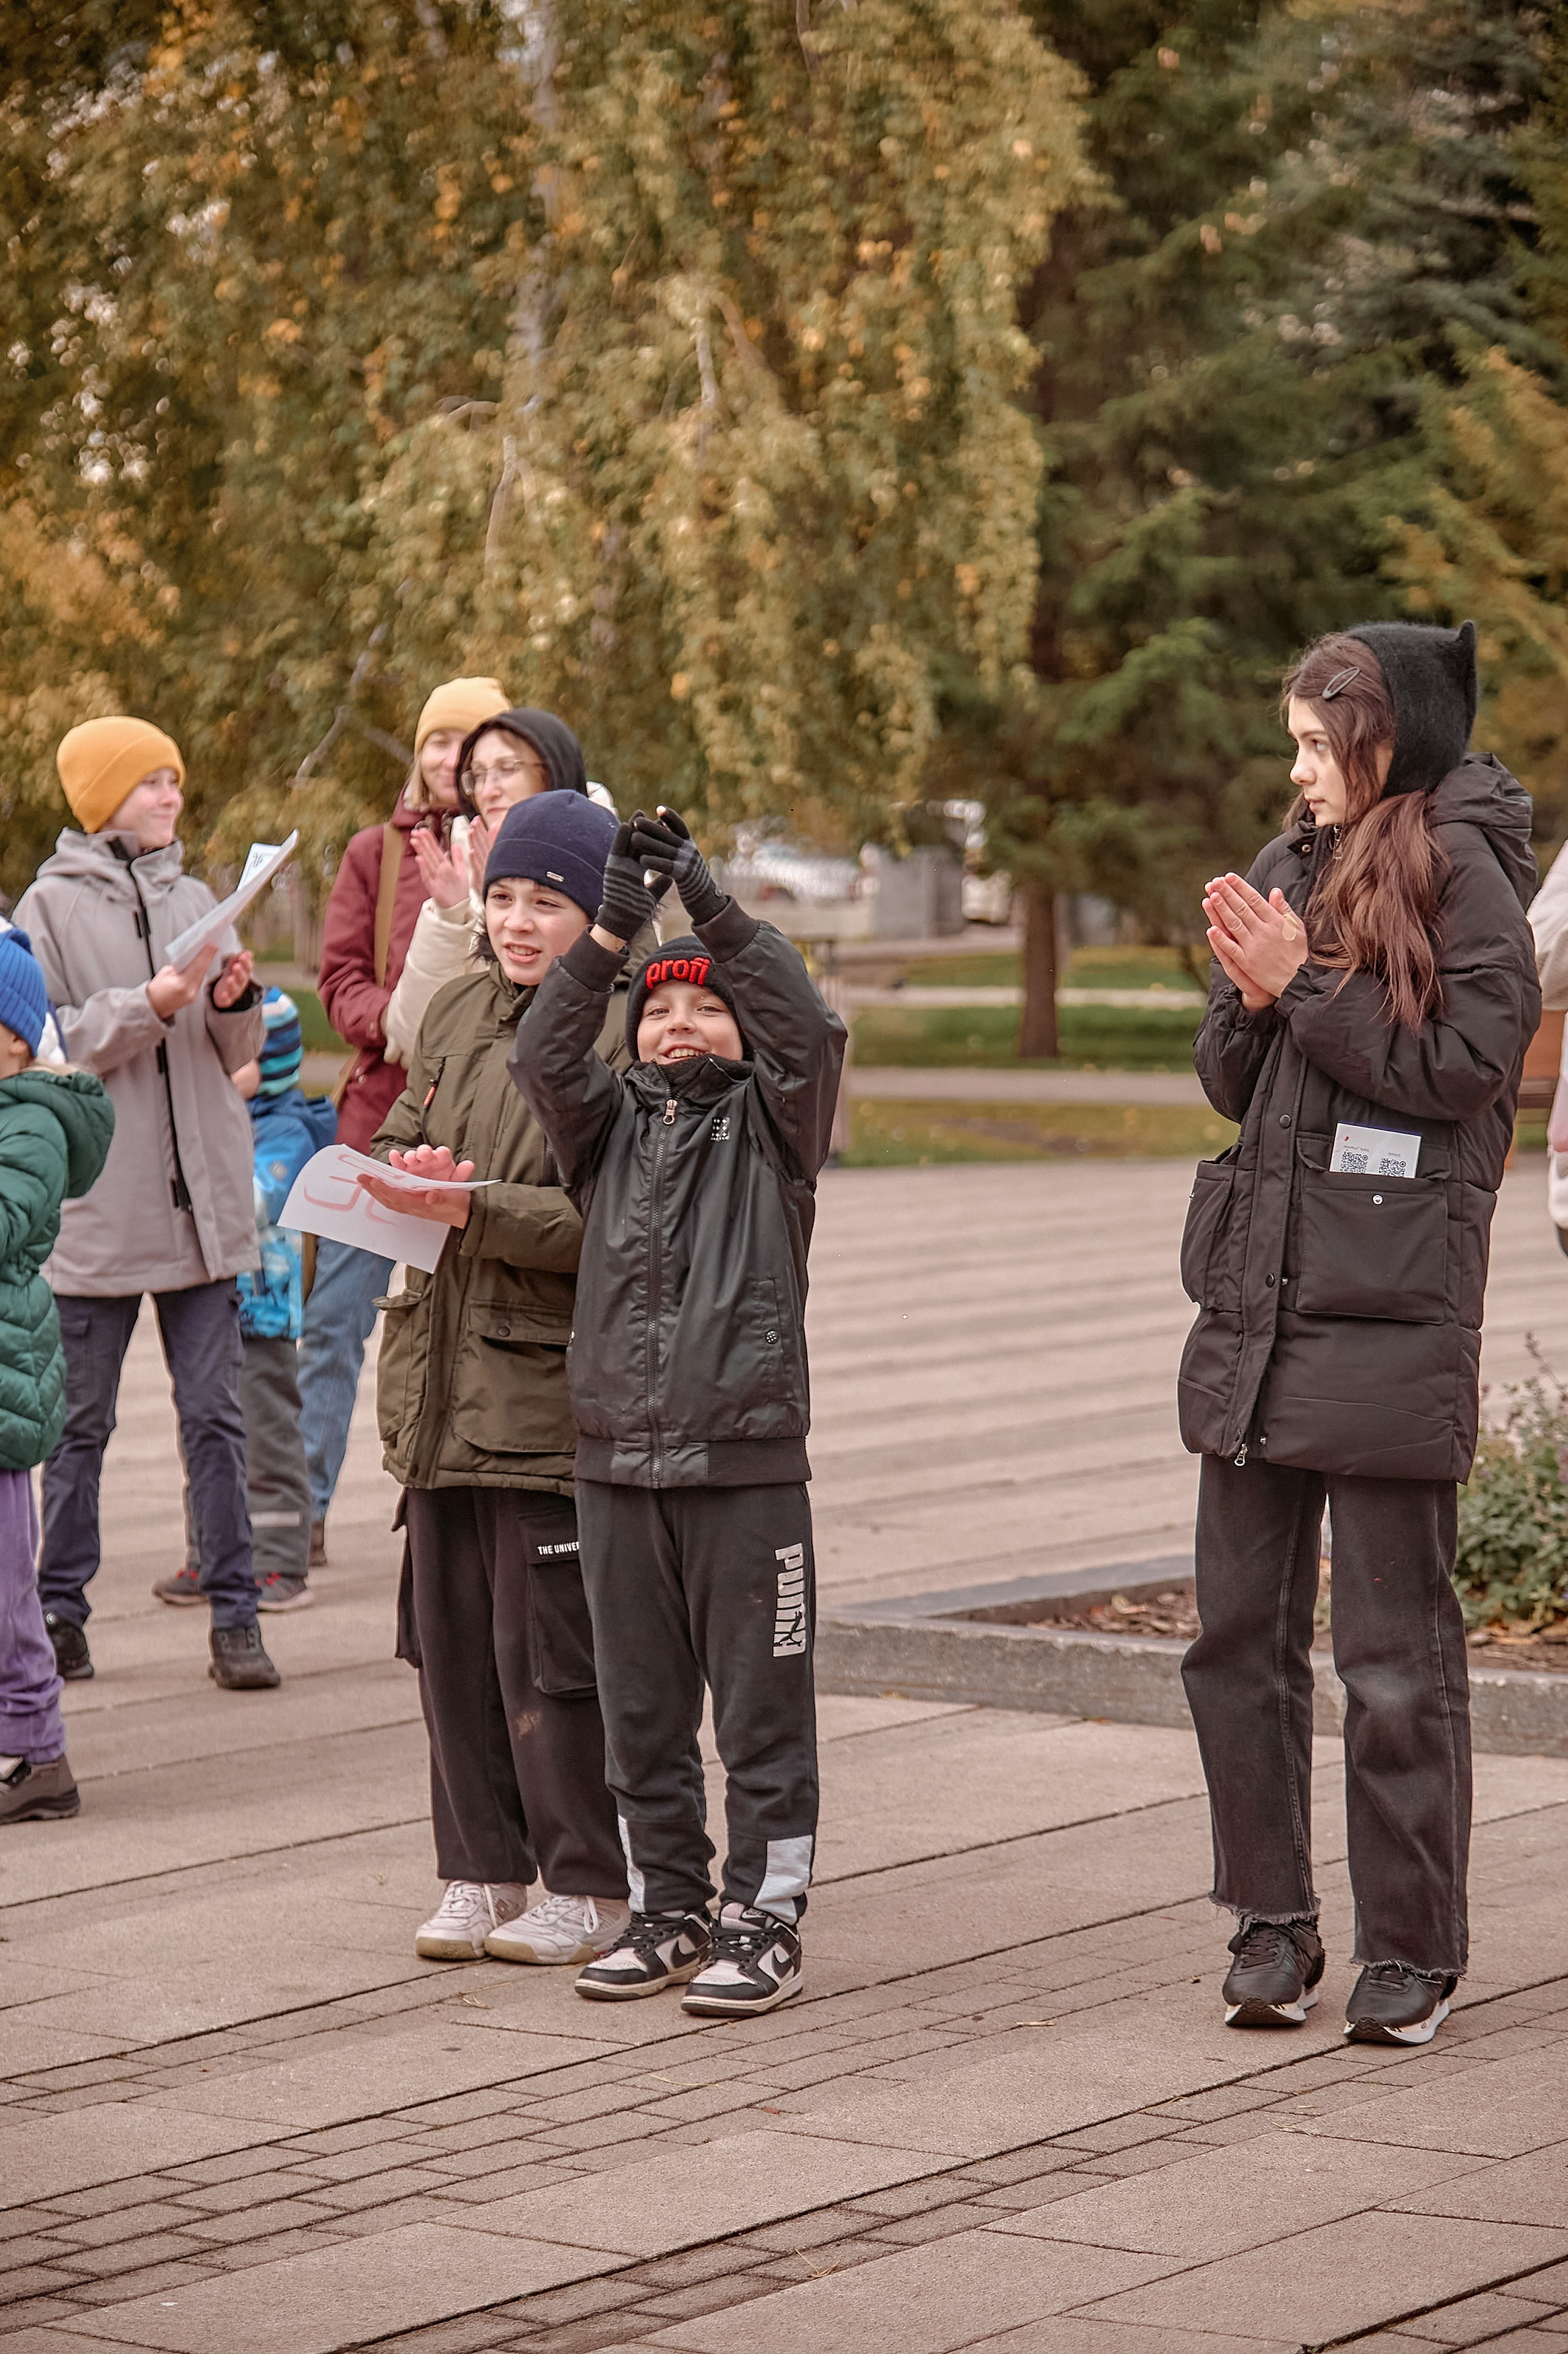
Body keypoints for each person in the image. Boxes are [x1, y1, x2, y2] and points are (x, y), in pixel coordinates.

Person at [1177, 622, 1539, 2049]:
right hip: (1254, 1310)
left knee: (1393, 1663)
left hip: (1391, 1310)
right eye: (1292, 743)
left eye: (1318, 745)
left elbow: (1461, 1072)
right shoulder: (1283, 867)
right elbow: (1224, 1075)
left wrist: (1300, 986)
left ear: (1394, 741)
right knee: (1231, 1643)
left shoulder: (1468, 875)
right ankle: (1269, 1924)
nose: (1297, 771)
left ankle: (1409, 1951)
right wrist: (1251, 990)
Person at [512, 807, 847, 2020]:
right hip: (614, 1466)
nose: (680, 1021)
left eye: (705, 1006)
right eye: (660, 1008)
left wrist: (709, 908)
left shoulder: (777, 1125)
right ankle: (669, 1906)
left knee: (760, 1706)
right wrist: (608, 931)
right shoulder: (599, 1132)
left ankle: (766, 1913)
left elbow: (805, 1028)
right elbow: (544, 1055)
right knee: (640, 1709)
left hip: (746, 1469)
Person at [362, 793, 634, 1967]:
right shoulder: (462, 1005)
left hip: (539, 1395)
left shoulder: (621, 1027)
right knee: (451, 1647)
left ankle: (586, 1881)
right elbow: (396, 1136)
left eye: (549, 903)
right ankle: (477, 1871)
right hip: (433, 1382)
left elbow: (618, 1215)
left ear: (594, 913)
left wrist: (472, 1212)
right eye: (508, 898)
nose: (520, 923)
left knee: (552, 1659)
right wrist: (399, 1174)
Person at [16, 716, 280, 1692]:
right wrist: (152, 1003)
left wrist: (228, 1001)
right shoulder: (45, 910)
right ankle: (60, 1613)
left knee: (217, 1418)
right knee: (80, 1424)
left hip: (206, 1214)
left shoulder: (203, 894)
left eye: (175, 781)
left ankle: (237, 1615)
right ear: (102, 799)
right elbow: (44, 1044)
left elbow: (237, 1054)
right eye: (151, 782)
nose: (173, 797)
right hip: (100, 1210)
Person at [299, 676, 510, 1566]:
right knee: (333, 1327)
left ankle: (461, 1520)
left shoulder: (520, 850)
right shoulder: (373, 855)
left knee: (475, 1331)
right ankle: (298, 1513)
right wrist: (391, 1024)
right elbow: (339, 977)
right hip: (381, 1122)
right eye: (437, 743)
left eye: (471, 749)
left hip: (487, 1138)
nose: (450, 762)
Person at [165, 991, 338, 1611]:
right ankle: (209, 1554)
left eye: (230, 1058)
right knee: (206, 1431)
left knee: (268, 1440)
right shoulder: (226, 1118)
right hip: (212, 1309)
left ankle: (282, 1563)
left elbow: (257, 1201)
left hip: (263, 1316)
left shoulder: (287, 1131)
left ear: (270, 1062)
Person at [0, 930, 113, 1822]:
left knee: (7, 1589)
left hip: (5, 1390)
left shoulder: (32, 1122)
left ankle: (42, 1755)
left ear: (12, 1034)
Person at [381, 707, 613, 1074]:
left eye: (507, 769)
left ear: (554, 769)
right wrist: (455, 916)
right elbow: (410, 1038)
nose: (489, 791)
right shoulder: (459, 865)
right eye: (477, 775)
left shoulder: (615, 871)